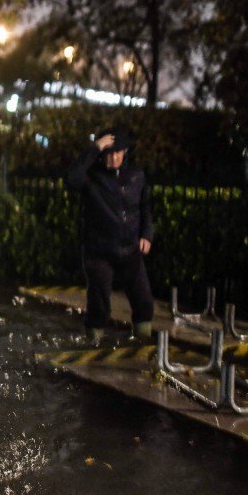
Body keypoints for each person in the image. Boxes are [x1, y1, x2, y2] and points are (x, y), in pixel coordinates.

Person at [66, 126, 154, 344]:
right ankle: (93, 341)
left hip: (130, 248)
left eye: (118, 152)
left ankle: (142, 340)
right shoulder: (92, 177)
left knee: (143, 300)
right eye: (109, 152)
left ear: (125, 152)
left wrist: (147, 234)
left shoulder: (136, 175)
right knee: (99, 303)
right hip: (99, 250)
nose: (114, 157)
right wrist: (95, 148)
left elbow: (145, 207)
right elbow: (72, 179)